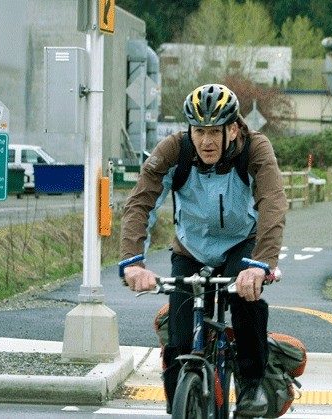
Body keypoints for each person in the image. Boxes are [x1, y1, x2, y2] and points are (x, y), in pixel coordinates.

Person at [120, 83, 288, 416]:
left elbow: (272, 203)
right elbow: (141, 201)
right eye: (199, 131)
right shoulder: (173, 149)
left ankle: (251, 383)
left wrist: (261, 265)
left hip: (241, 244)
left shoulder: (255, 147)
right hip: (190, 249)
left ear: (233, 128)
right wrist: (133, 261)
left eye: (215, 131)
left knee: (246, 298)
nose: (206, 141)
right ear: (189, 130)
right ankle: (179, 402)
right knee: (179, 340)